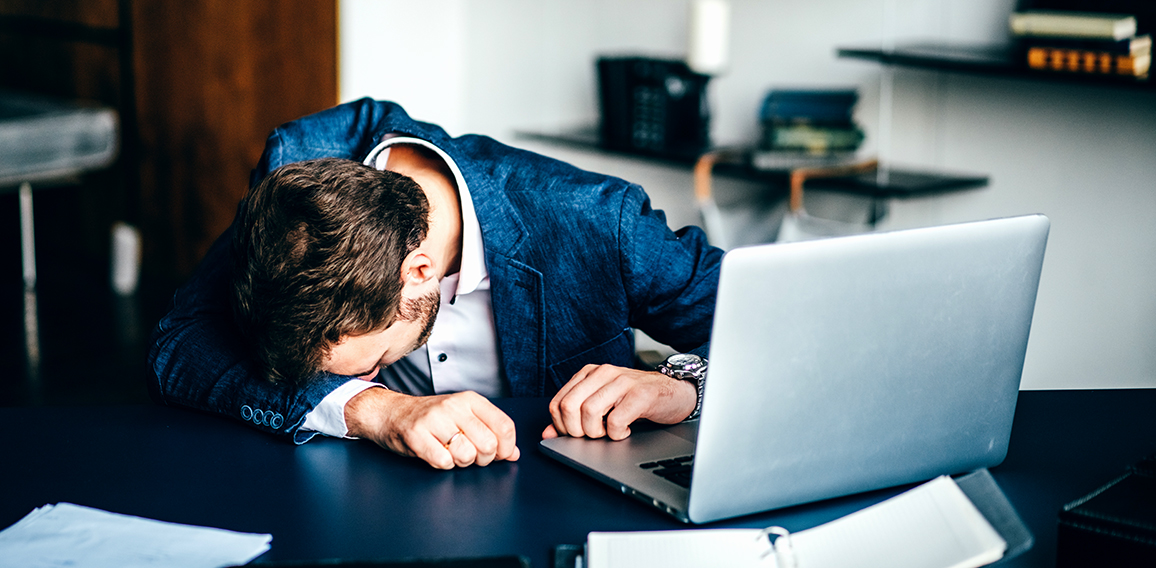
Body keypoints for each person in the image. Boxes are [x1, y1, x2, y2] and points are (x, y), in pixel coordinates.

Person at [149, 98, 722, 470]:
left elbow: (789, 331)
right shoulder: (295, 172)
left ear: (419, 274)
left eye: (366, 364)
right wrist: (375, 407)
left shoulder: (600, 221)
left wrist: (683, 388)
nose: (351, 376)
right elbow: (180, 345)